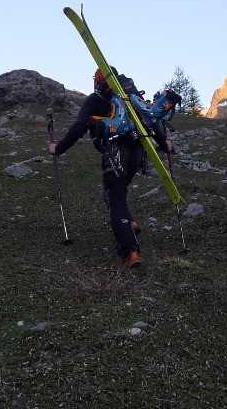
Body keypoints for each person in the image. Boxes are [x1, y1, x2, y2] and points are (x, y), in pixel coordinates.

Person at [49, 67, 172, 268]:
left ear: (98, 81)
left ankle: (130, 250)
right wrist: (164, 143)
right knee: (114, 193)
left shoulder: (95, 99)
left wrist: (59, 148)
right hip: (138, 152)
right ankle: (129, 223)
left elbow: (80, 126)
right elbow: (152, 121)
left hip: (115, 153)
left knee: (115, 199)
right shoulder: (130, 97)